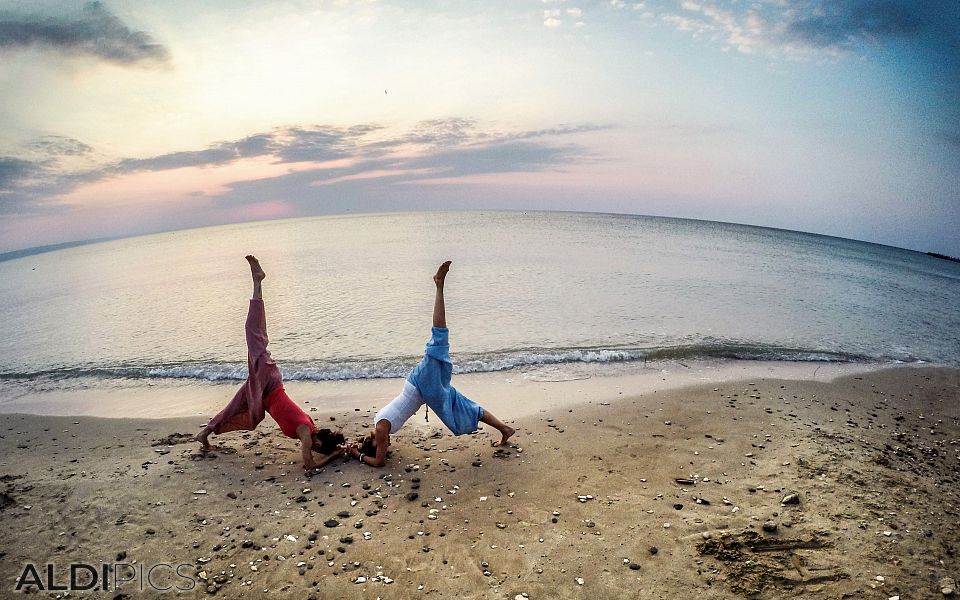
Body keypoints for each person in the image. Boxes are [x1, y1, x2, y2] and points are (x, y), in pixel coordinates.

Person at [345, 261, 514, 467]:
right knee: (463, 406)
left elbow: (378, 461)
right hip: (427, 391)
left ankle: (439, 284)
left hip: (422, 383)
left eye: (384, 445)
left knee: (439, 338)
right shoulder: (380, 427)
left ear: (374, 441)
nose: (387, 445)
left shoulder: (380, 429)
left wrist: (357, 455)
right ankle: (505, 429)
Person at [194, 256, 344, 475]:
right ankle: (258, 281)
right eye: (317, 448)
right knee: (253, 332)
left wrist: (337, 451)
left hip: (264, 392)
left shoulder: (308, 428)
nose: (313, 450)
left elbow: (310, 456)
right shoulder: (305, 430)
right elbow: (309, 467)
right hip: (269, 381)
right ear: (319, 442)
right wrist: (333, 456)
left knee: (235, 406)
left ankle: (204, 434)